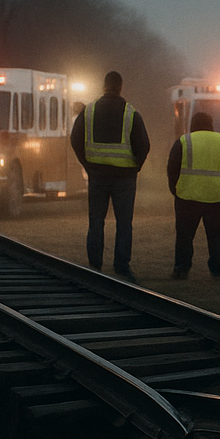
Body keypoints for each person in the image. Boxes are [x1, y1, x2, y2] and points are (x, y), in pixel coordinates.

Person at [70, 70, 149, 282]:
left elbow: (75, 139)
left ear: (103, 86)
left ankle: (95, 265)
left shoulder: (89, 111)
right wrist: (134, 168)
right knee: (124, 222)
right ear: (120, 87)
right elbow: (144, 145)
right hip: (124, 178)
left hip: (97, 175)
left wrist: (87, 164)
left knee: (96, 221)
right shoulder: (131, 113)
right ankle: (122, 266)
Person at [166, 111, 220, 279]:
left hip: (187, 197)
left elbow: (172, 169)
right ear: (211, 124)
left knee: (184, 236)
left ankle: (181, 269)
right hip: (217, 197)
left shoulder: (184, 141)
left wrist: (177, 190)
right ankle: (217, 269)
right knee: (217, 237)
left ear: (193, 124)